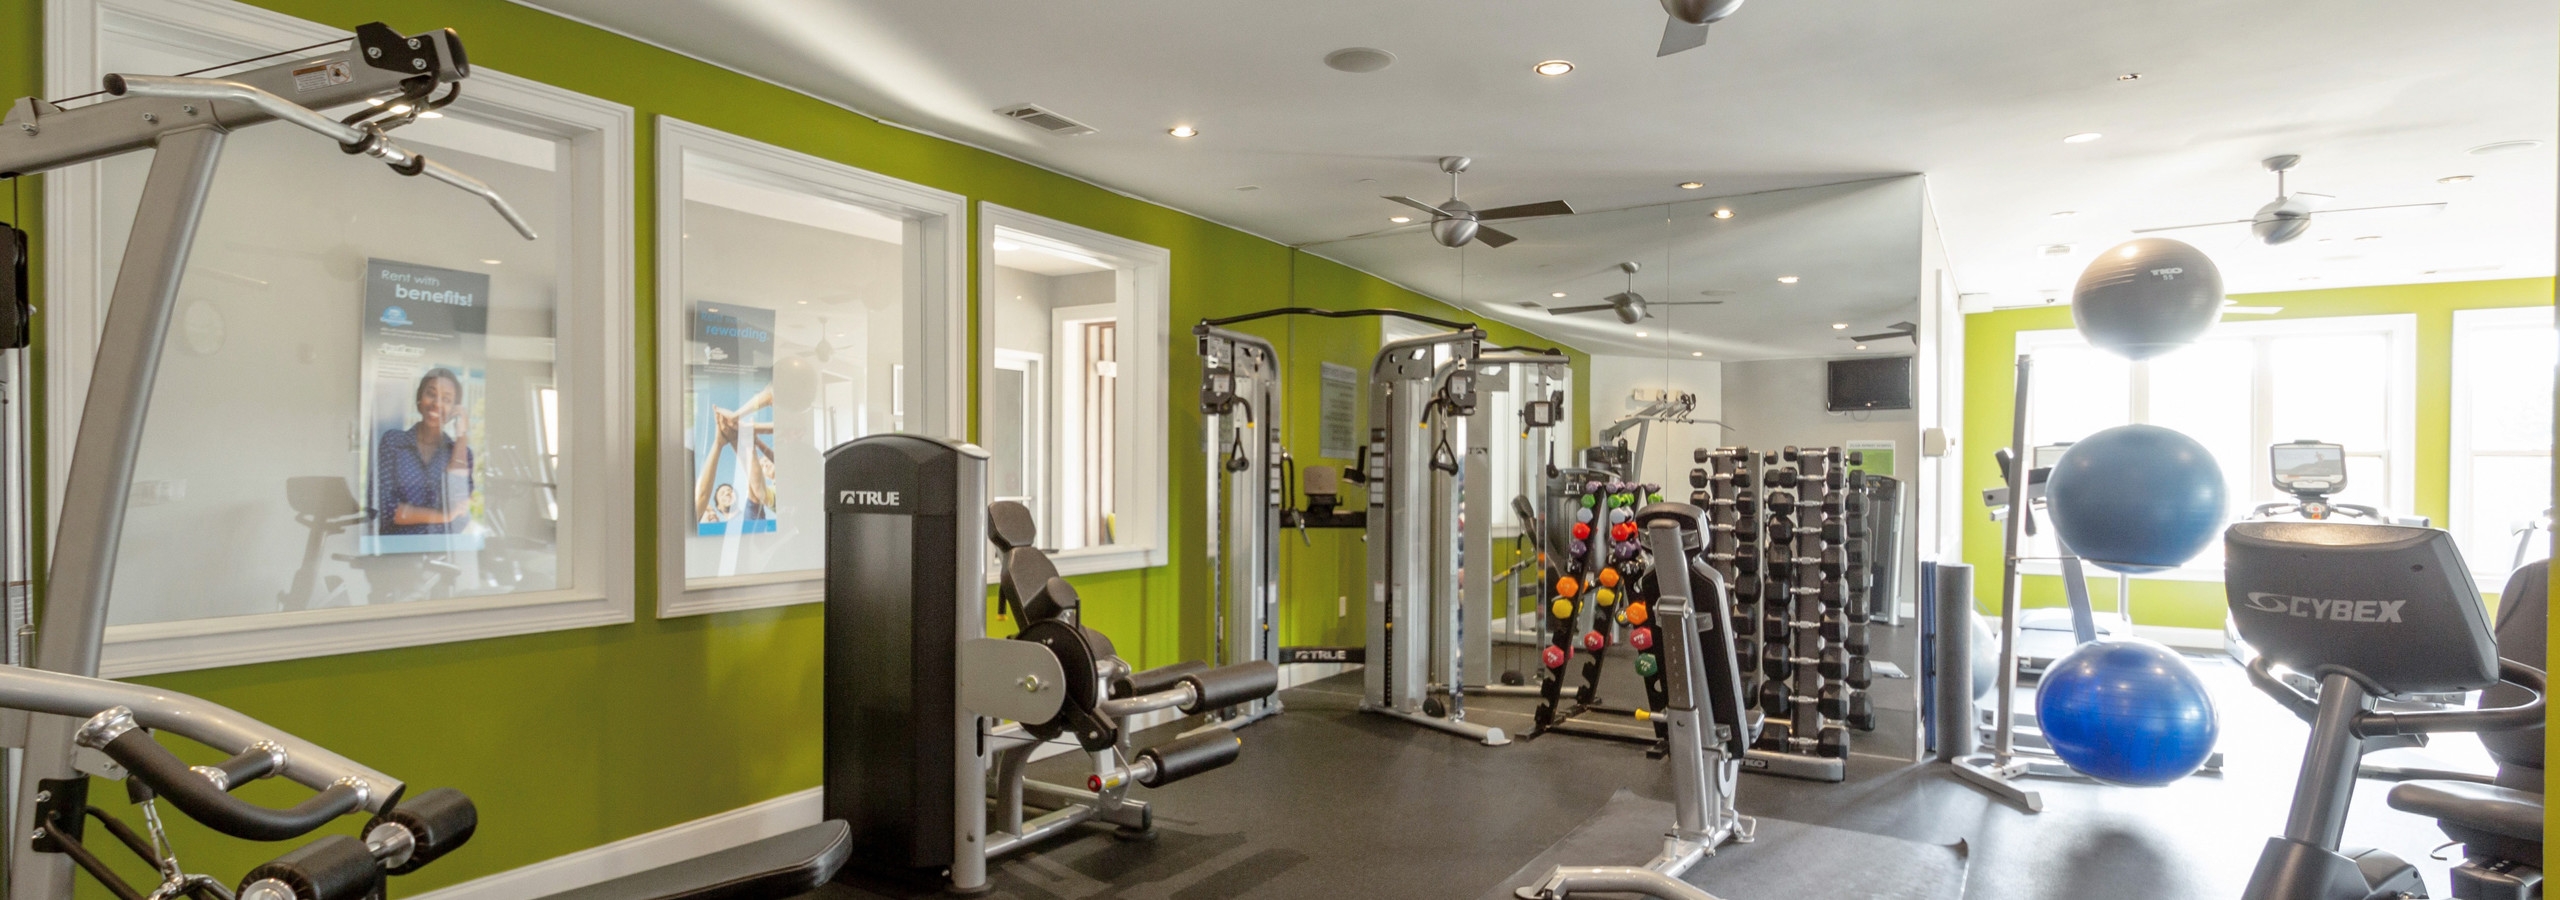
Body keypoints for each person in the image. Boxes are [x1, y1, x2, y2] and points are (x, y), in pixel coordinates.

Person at [376, 368, 475, 536]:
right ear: (419, 399)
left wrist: (462, 435)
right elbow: (387, 511)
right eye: (431, 394)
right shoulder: (393, 442)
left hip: (441, 554)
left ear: (454, 409)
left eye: (446, 399)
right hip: (396, 550)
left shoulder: (461, 453)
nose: (437, 403)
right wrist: (443, 517)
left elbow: (459, 517)